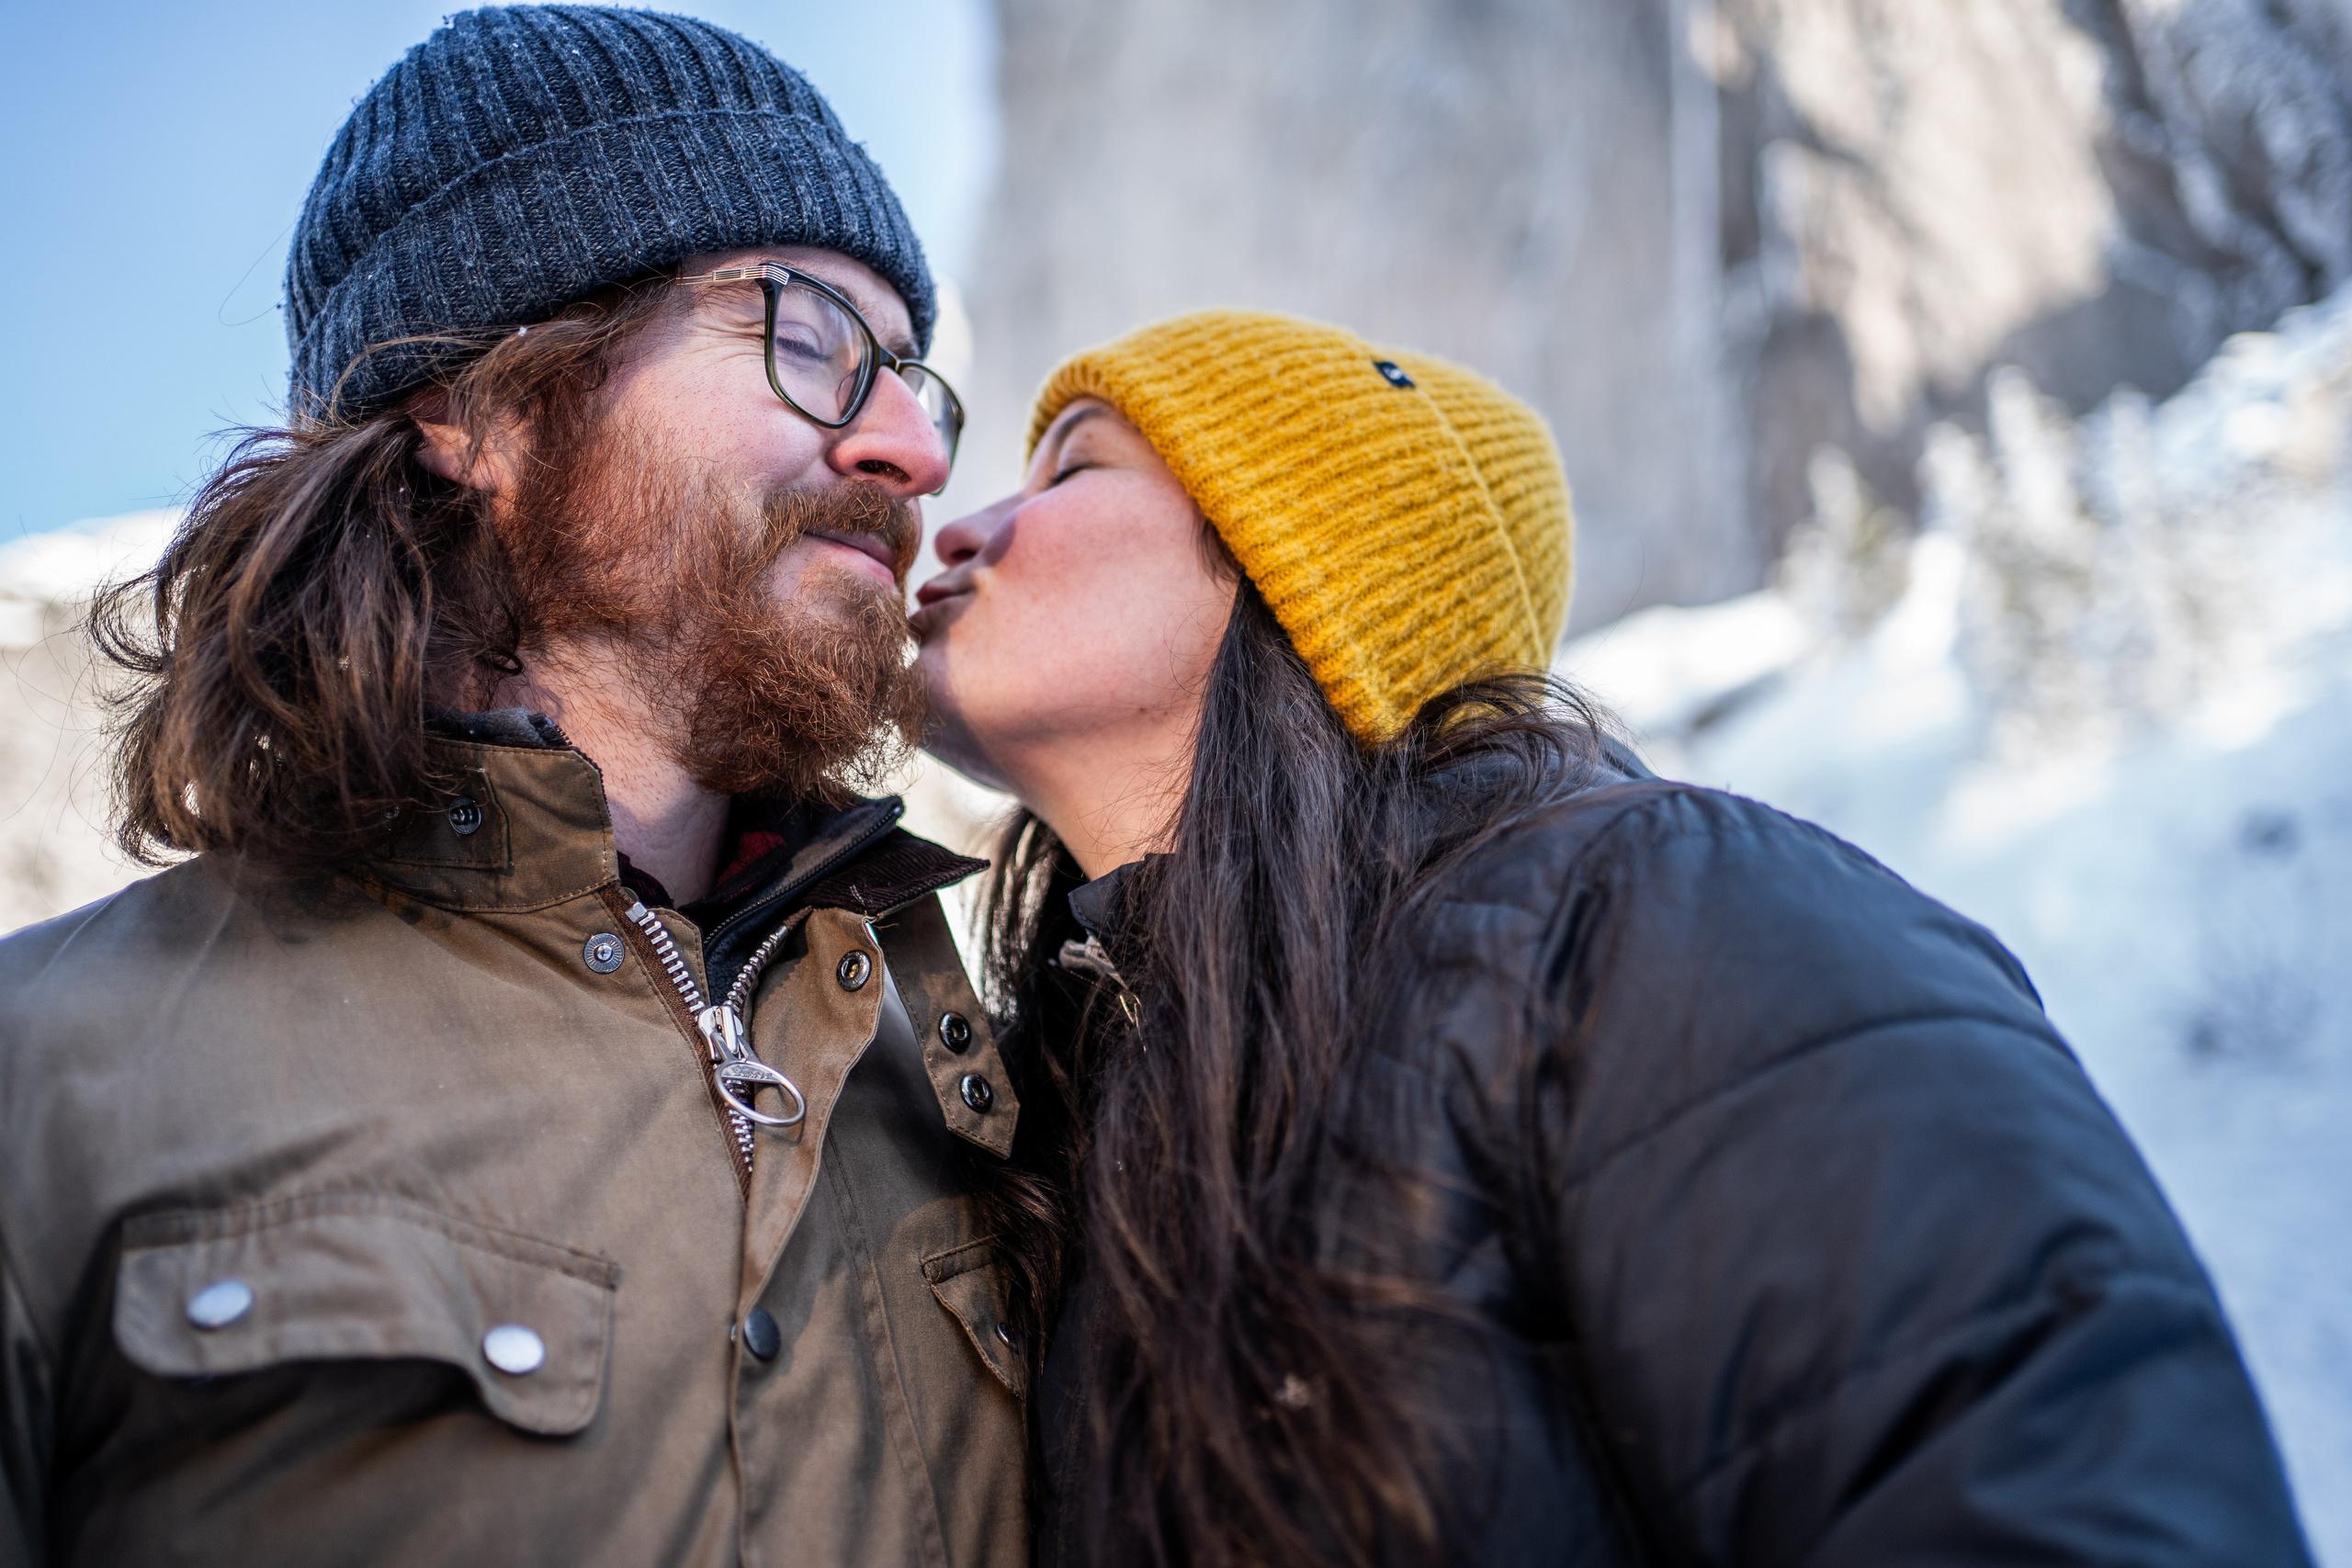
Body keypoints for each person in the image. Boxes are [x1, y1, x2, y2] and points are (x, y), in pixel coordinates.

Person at [910, 310, 2316, 1567]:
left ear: (1304, 559)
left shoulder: (1659, 919)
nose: (963, 529)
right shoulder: (1095, 1110)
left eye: (1074, 470)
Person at [0, 9, 1026, 1564]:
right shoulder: (48, 1077)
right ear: (482, 405)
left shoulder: (981, 1097)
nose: (913, 450)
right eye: (808, 336)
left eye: (909, 376)